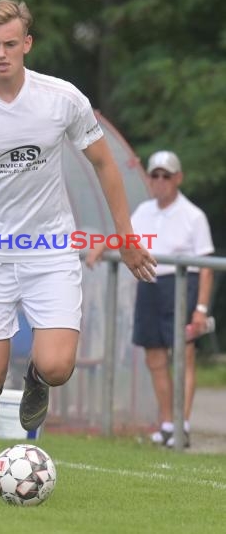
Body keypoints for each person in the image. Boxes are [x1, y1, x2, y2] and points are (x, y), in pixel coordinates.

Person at [0, 0, 156, 501]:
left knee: (59, 364)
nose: (1, 54)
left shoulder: (62, 99)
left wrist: (125, 235)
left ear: (27, 44)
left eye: (11, 44)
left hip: (49, 248)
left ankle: (39, 379)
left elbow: (107, 165)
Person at [87, 150, 214, 448]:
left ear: (177, 179)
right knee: (155, 358)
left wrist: (201, 309)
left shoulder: (193, 216)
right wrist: (101, 245)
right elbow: (125, 237)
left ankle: (182, 423)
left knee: (184, 355)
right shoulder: (144, 210)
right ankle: (167, 422)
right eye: (154, 175)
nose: (159, 181)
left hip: (182, 286)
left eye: (165, 176)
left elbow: (206, 269)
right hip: (150, 285)